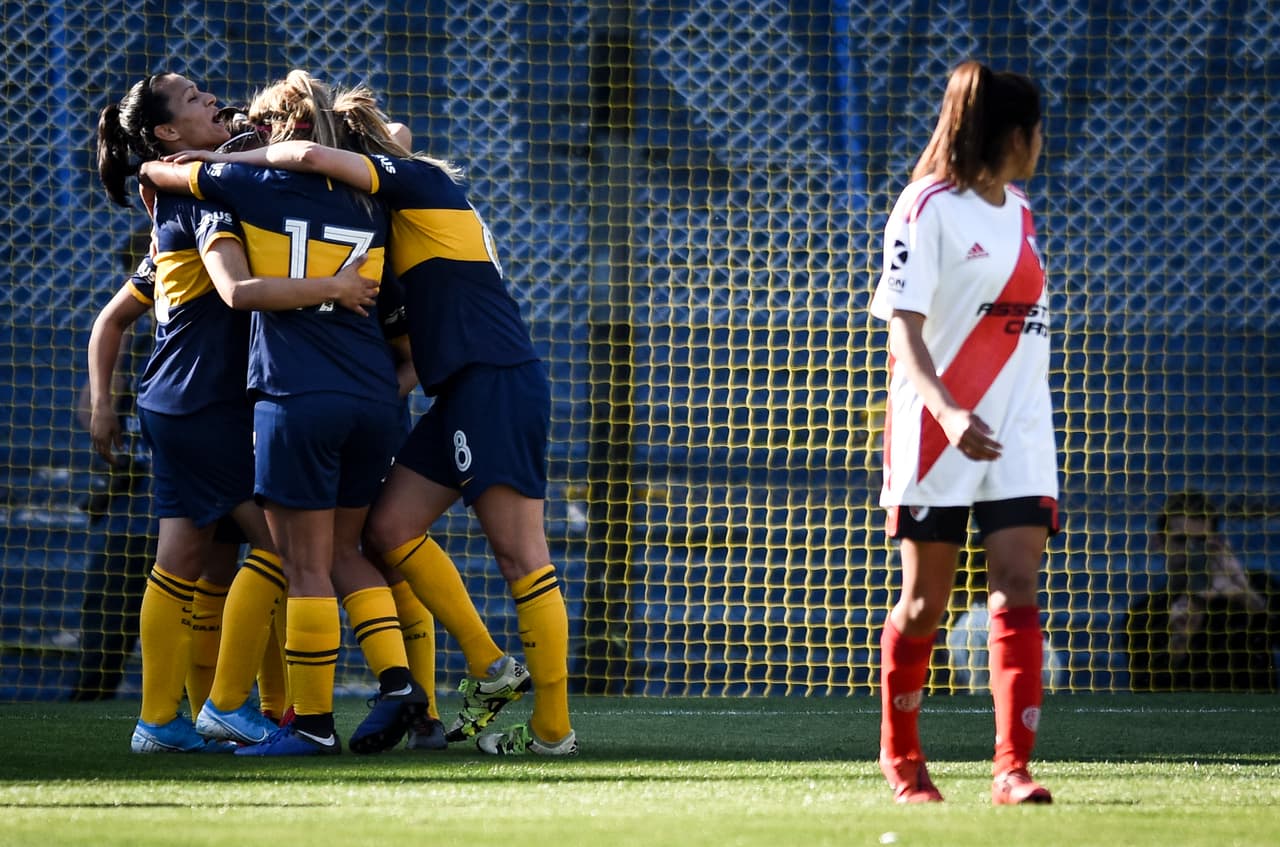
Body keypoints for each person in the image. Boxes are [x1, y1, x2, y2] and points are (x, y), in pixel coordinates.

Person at [168, 76, 577, 756]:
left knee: (521, 556)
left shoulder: (414, 179)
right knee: (387, 530)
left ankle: (552, 731)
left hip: (496, 376)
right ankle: (490, 666)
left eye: (270, 126)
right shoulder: (382, 192)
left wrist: (214, 161)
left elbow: (311, 155)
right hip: (459, 387)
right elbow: (351, 148)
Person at [140, 70, 434, 757]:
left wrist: (186, 162)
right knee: (343, 552)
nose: (223, 109)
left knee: (294, 561)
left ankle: (294, 719)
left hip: (289, 396)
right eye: (196, 99)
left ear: (276, 135)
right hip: (371, 395)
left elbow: (226, 269)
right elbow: (395, 136)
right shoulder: (373, 191)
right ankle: (401, 684)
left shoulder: (242, 186)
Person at [95, 72, 377, 753]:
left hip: (181, 400)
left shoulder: (191, 187)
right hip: (199, 403)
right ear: (167, 132)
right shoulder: (201, 199)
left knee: (188, 561)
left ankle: (160, 721)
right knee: (287, 548)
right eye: (192, 99)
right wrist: (334, 286)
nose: (211, 100)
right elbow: (237, 290)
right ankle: (225, 705)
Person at [867, 60, 1055, 805]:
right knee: (925, 603)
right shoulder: (926, 206)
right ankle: (903, 759)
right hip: (936, 429)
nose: (1041, 143)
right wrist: (948, 411)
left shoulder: (1022, 212)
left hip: (1019, 432)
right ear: (1014, 135)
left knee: (1017, 584)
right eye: (1037, 130)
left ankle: (1012, 769)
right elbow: (903, 330)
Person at [68, 233, 157, 702]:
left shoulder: (204, 328)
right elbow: (89, 413)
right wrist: (111, 376)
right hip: (133, 505)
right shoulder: (133, 339)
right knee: (105, 623)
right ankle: (91, 695)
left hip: (187, 501)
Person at [1127, 490, 1280, 692]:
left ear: (1216, 542)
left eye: (1199, 541)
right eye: (1181, 540)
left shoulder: (1259, 587)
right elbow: (1147, 694)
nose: (1190, 550)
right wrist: (1180, 641)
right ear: (1159, 542)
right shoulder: (1143, 617)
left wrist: (1248, 598)